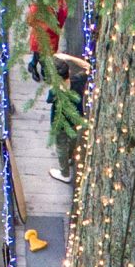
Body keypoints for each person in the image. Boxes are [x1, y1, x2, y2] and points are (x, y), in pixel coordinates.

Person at [47, 51, 92, 184]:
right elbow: (88, 67)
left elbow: (49, 100)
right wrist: (68, 57)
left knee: (61, 145)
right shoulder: (78, 80)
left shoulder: (55, 91)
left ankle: (64, 173)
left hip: (60, 122)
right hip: (76, 117)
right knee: (72, 137)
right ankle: (72, 156)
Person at [26, 0, 69, 81]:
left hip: (52, 36)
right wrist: (46, 27)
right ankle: (39, 69)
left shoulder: (59, 2)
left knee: (43, 55)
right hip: (41, 36)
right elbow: (30, 20)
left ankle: (34, 66)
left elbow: (62, 14)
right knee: (40, 55)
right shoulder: (38, 7)